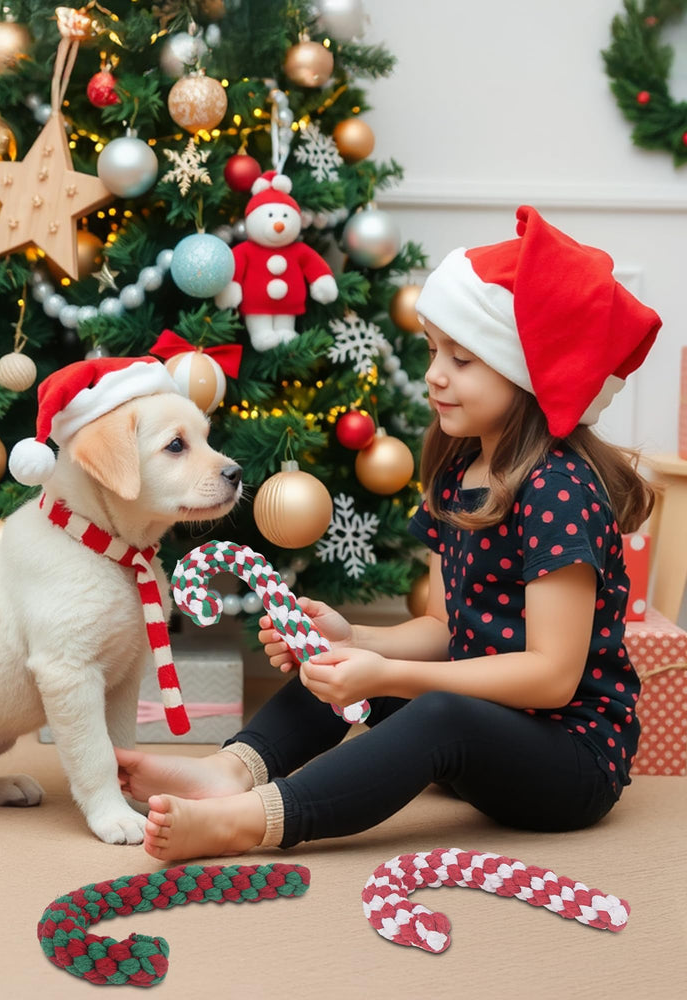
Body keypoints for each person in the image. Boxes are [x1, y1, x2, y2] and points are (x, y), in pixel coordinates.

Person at [116, 205, 662, 862]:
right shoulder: (459, 468)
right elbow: (444, 628)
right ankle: (230, 771)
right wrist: (356, 641)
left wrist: (392, 675)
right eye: (433, 352)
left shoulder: (558, 490)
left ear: (524, 375)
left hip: (571, 758)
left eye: (463, 359)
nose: (434, 375)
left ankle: (252, 820)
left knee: (434, 707)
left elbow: (552, 677)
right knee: (342, 667)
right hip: (489, 726)